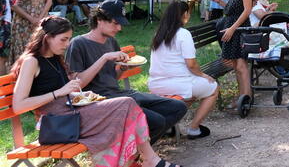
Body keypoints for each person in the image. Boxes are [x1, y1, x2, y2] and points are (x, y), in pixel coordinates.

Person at [12, 17, 182, 167]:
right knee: (125, 104)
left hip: (71, 112)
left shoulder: (55, 58)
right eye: (63, 40)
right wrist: (59, 92)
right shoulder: (31, 62)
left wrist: (75, 94)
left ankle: (143, 160)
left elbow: (65, 89)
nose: (67, 44)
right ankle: (141, 161)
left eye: (69, 39)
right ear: (47, 38)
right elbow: (19, 106)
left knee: (126, 104)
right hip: (56, 122)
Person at [66, 0, 187, 143]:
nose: (119, 28)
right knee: (157, 122)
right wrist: (103, 58)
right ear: (99, 20)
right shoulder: (78, 43)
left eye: (120, 24)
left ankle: (134, 150)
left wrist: (122, 69)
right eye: (115, 23)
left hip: (120, 94)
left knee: (178, 107)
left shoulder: (111, 41)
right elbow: (76, 84)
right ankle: (133, 154)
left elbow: (111, 77)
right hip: (99, 101)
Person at [148, 1, 219, 139]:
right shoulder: (183, 34)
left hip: (156, 84)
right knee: (213, 88)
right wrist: (204, 75)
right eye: (188, 13)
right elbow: (191, 64)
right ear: (184, 14)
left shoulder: (159, 33)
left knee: (189, 94)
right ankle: (194, 129)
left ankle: (168, 125)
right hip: (178, 84)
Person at [209, 0, 253, 107]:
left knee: (241, 66)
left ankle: (246, 99)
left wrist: (233, 28)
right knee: (236, 66)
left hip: (239, 30)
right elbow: (230, 9)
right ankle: (242, 98)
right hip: (232, 29)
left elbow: (247, 11)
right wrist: (218, 1)